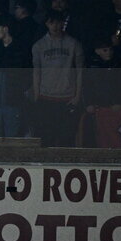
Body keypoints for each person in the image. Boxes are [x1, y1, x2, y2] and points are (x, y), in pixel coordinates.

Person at [32, 10, 85, 147]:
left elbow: (80, 72)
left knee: (66, 138)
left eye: (58, 22)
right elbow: (36, 72)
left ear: (63, 23)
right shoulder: (39, 46)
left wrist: (77, 96)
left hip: (67, 98)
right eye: (51, 23)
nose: (55, 26)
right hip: (46, 97)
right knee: (46, 137)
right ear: (46, 24)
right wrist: (37, 95)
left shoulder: (74, 44)